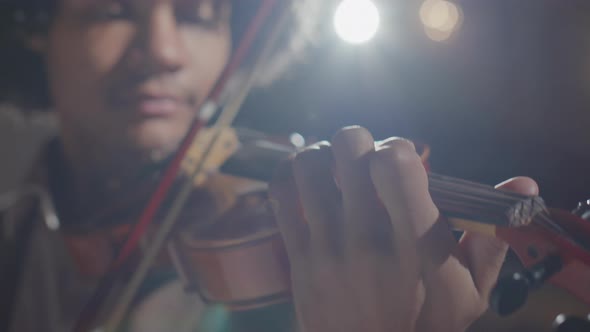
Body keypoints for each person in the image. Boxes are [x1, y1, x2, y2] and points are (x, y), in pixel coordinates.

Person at [0, 0, 550, 331]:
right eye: (114, 9)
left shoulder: (292, 280)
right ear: (35, 25)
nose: (164, 49)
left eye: (197, 15)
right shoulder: (14, 238)